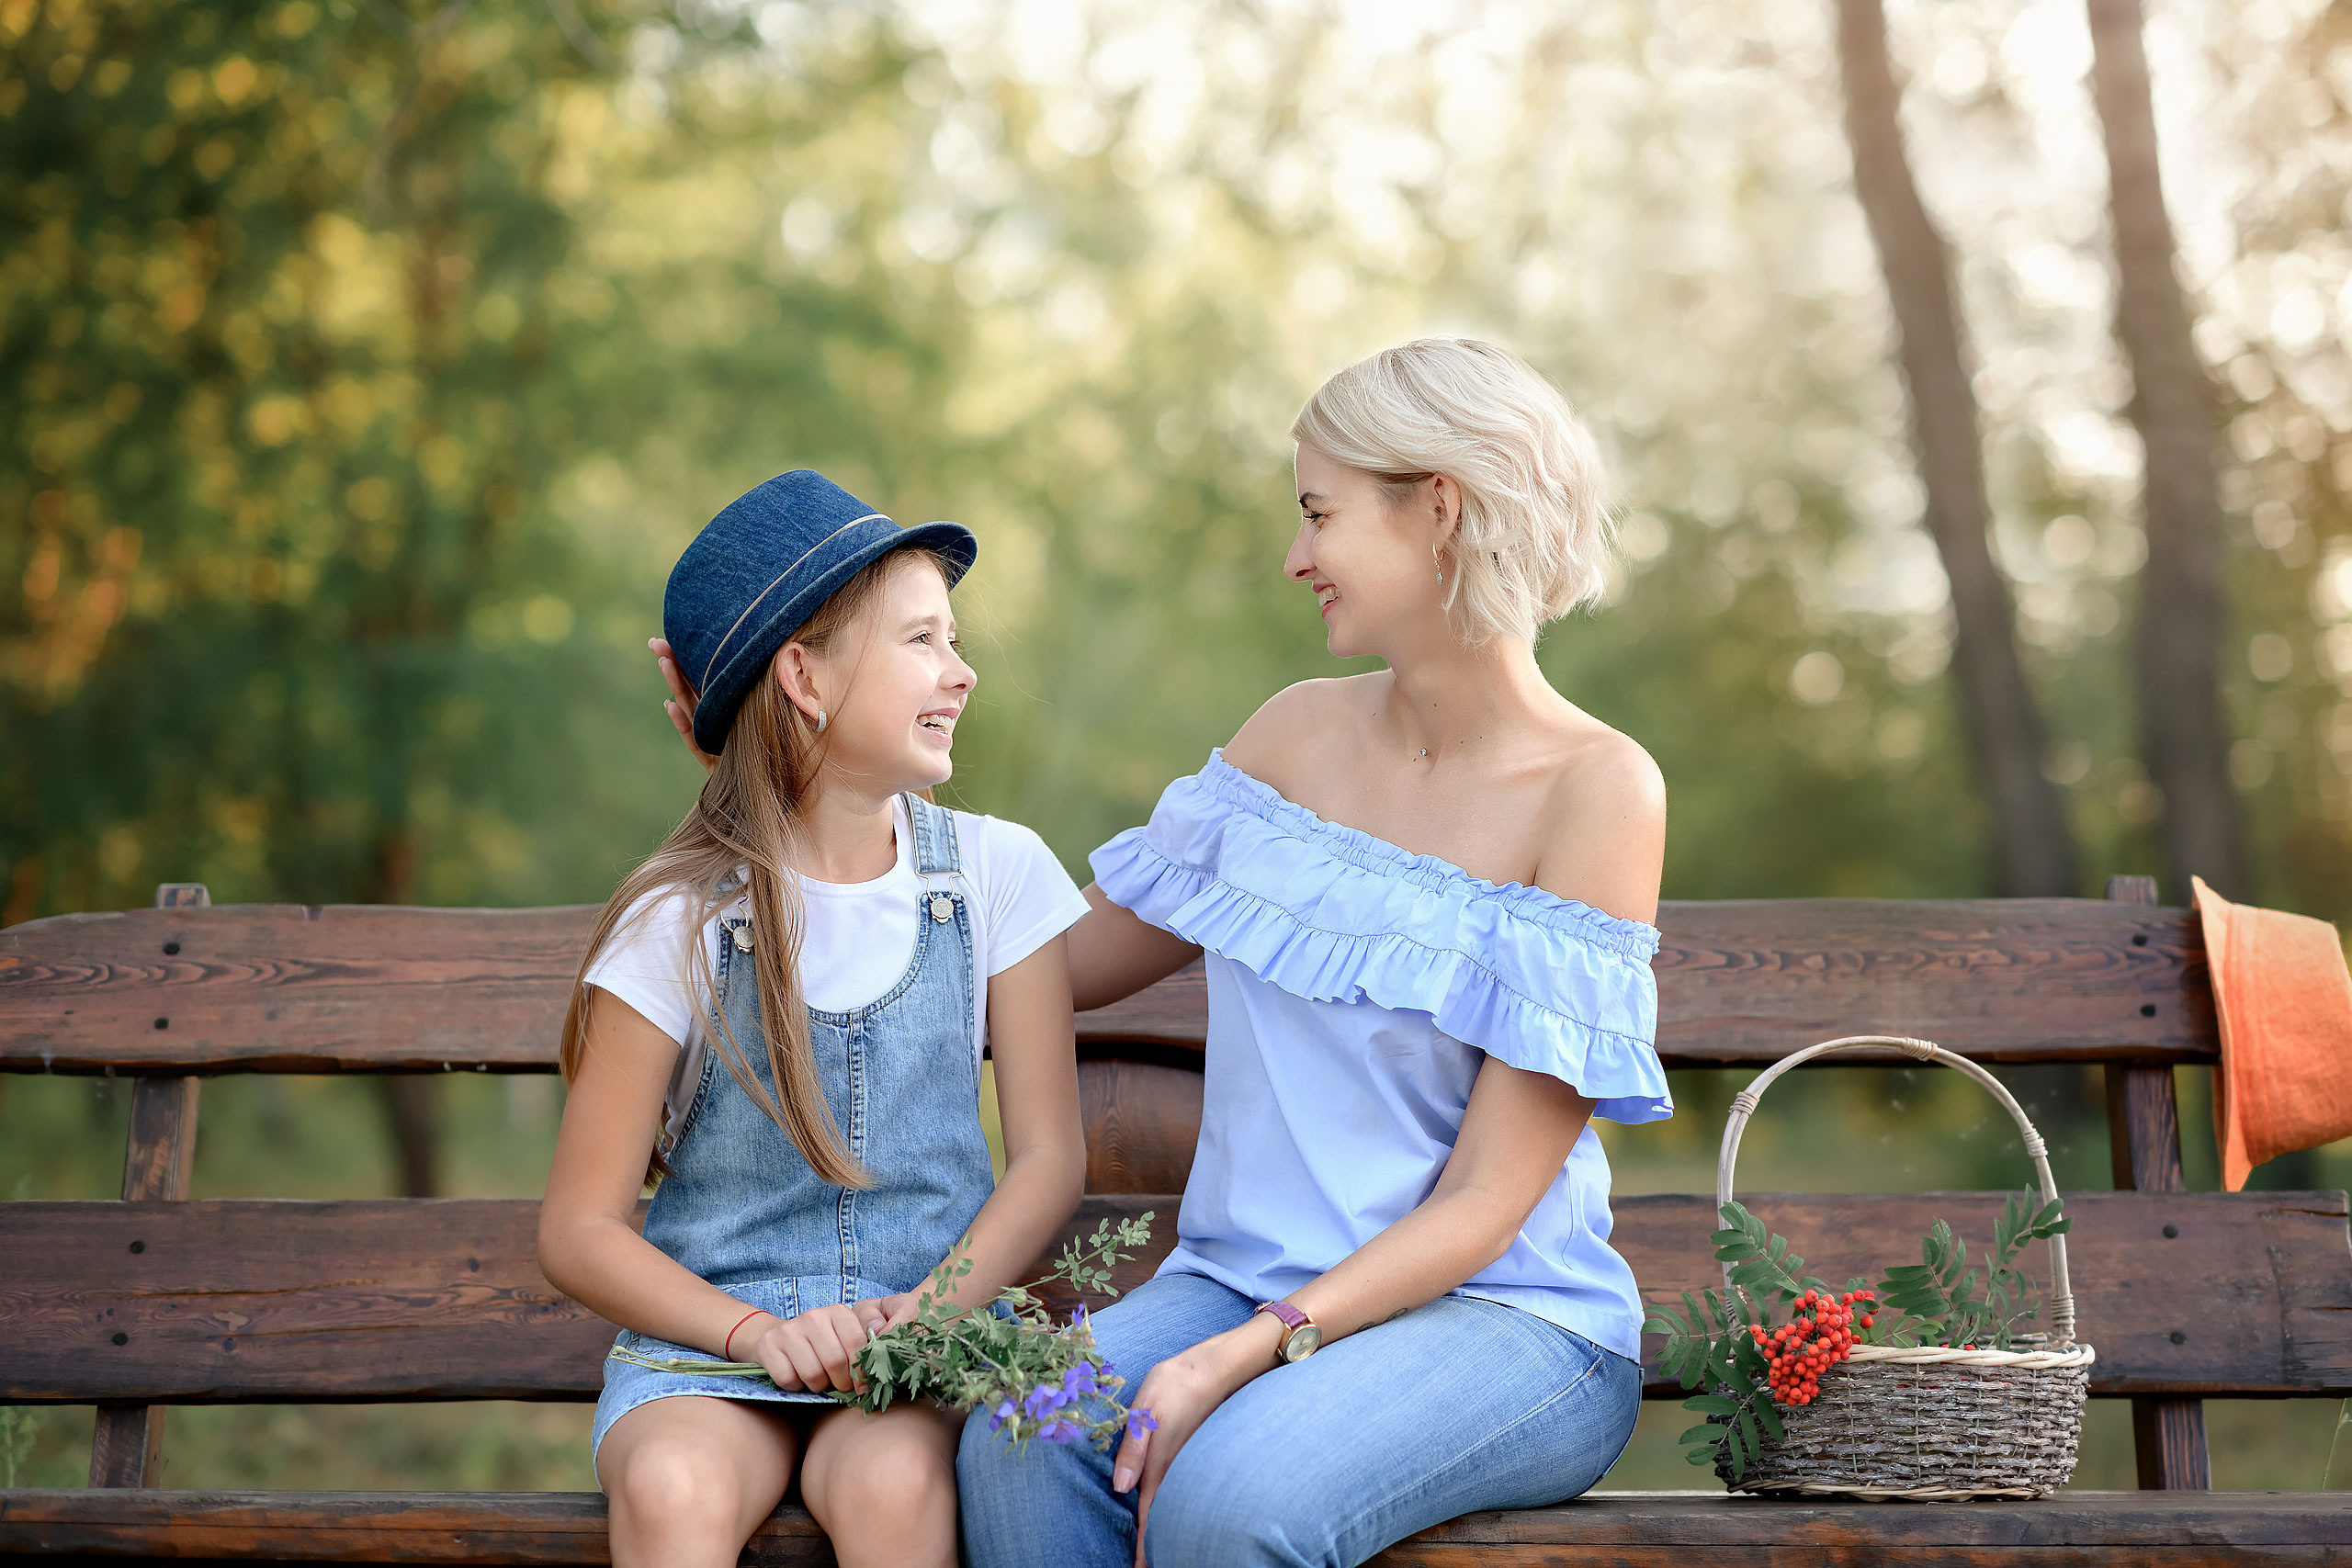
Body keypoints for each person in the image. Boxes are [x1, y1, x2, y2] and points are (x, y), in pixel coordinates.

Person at [652, 338, 1670, 1568]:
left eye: (1319, 513)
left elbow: (1485, 1204)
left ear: (1437, 507)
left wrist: (1243, 1351)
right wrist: (775, 762)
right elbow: (1039, 963)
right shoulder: (1293, 738)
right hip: (1237, 1279)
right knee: (1022, 1438)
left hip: (1506, 1318)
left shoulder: (1598, 788)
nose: (1298, 555)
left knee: (1226, 1503)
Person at [540, 470, 1091, 1568]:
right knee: (671, 1480)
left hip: (922, 1338)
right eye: (922, 640)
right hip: (714, 1348)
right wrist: (755, 1333)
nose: (961, 670)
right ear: (803, 674)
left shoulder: (993, 874)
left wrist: (933, 1311)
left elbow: (1047, 1157)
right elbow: (579, 1230)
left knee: (892, 1481)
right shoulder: (682, 920)